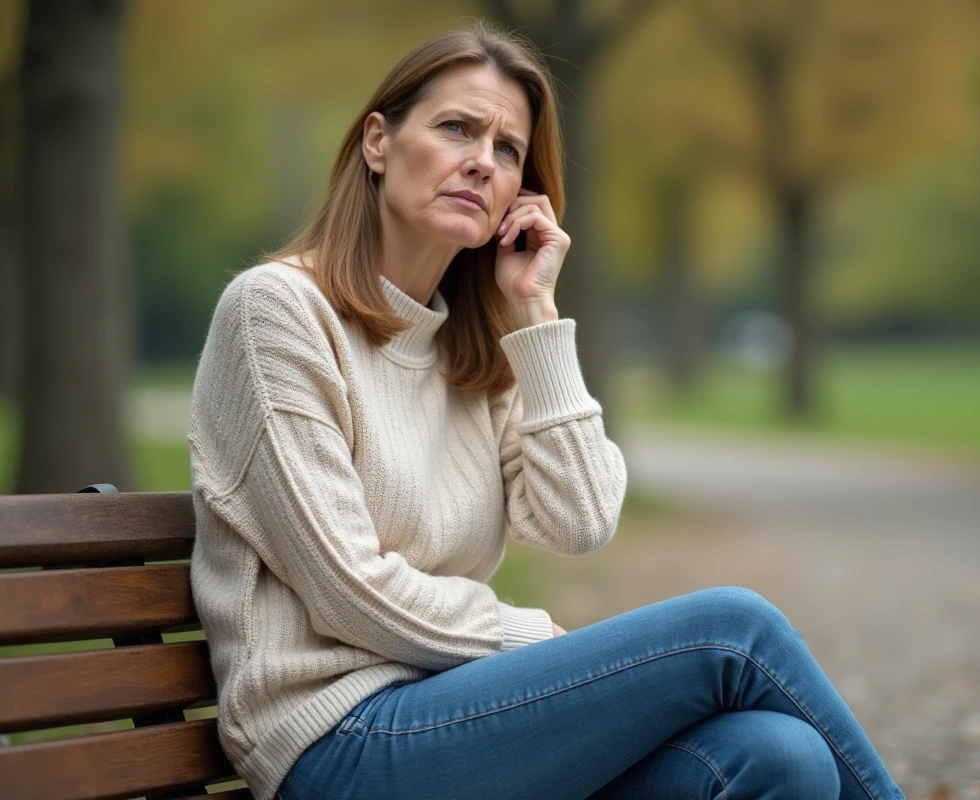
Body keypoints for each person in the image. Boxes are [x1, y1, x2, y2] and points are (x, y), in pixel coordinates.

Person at [188, 23, 905, 800]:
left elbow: (580, 521)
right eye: (457, 128)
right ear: (377, 141)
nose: (480, 162)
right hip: (340, 745)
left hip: (463, 721)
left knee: (779, 755)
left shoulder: (471, 343)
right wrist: (522, 632)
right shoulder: (278, 313)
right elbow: (347, 591)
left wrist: (533, 312)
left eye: (506, 149)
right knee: (734, 628)